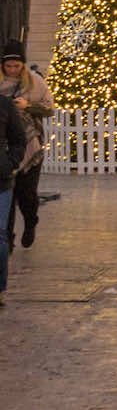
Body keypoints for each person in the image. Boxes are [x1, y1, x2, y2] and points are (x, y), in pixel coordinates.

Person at [0, 43, 52, 250]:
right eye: (8, 66)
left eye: (17, 66)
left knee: (26, 194)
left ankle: (31, 222)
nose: (12, 70)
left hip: (31, 146)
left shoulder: (35, 82)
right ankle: (8, 238)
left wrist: (27, 106)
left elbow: (49, 109)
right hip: (5, 146)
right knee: (7, 194)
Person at [0, 93, 25, 304]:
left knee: (0, 236)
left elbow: (18, 139)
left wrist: (10, 163)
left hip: (1, 179)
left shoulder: (4, 104)